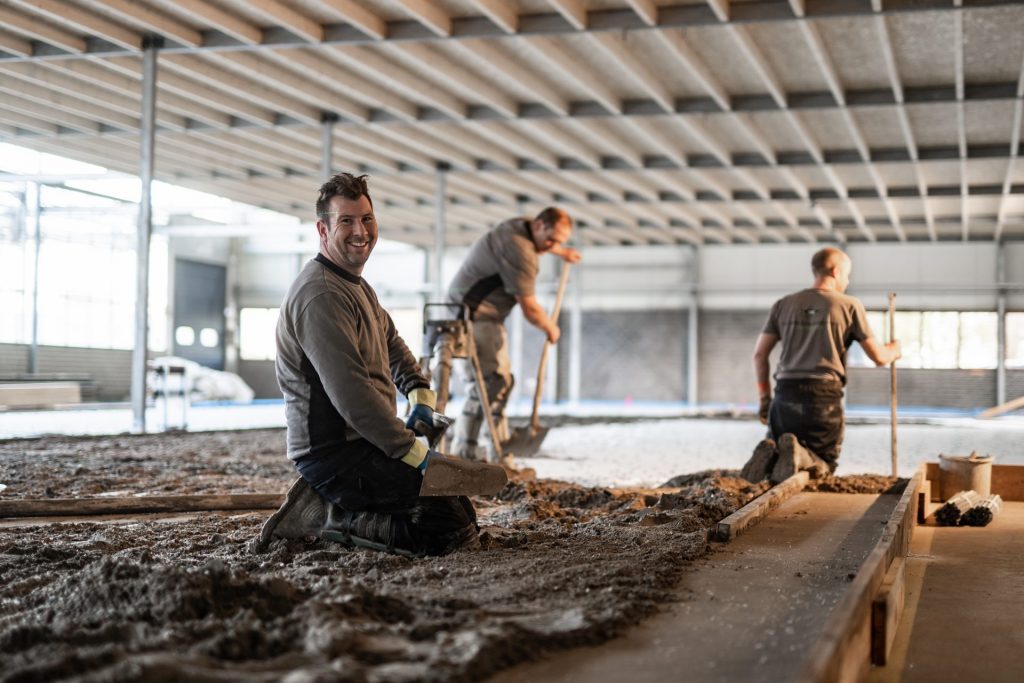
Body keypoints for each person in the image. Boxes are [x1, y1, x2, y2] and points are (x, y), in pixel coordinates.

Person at [259, 172, 478, 557]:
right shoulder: (321, 296)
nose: (360, 231)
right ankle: (328, 517)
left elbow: (391, 342)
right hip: (333, 455)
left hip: (365, 442)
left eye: (366, 219)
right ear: (323, 230)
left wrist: (419, 394)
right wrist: (414, 452)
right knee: (449, 529)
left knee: (458, 508)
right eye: (346, 221)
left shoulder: (355, 285)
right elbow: (354, 397)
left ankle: (343, 508)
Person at [741, 247, 901, 484]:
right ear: (835, 271)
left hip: (785, 394)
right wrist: (894, 350)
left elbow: (759, 355)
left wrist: (765, 399)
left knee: (778, 449)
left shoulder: (783, 304)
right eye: (847, 275)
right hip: (823, 398)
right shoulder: (849, 305)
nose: (847, 281)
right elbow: (878, 357)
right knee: (825, 461)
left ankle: (773, 456)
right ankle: (802, 456)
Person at [446, 207, 581, 461]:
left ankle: (491, 451)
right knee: (490, 384)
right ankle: (471, 454)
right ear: (539, 225)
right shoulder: (520, 251)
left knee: (495, 384)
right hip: (472, 316)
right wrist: (550, 328)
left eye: (559, 242)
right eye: (552, 240)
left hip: (477, 314)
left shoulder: (521, 226)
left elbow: (544, 242)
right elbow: (530, 308)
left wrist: (561, 252)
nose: (552, 245)